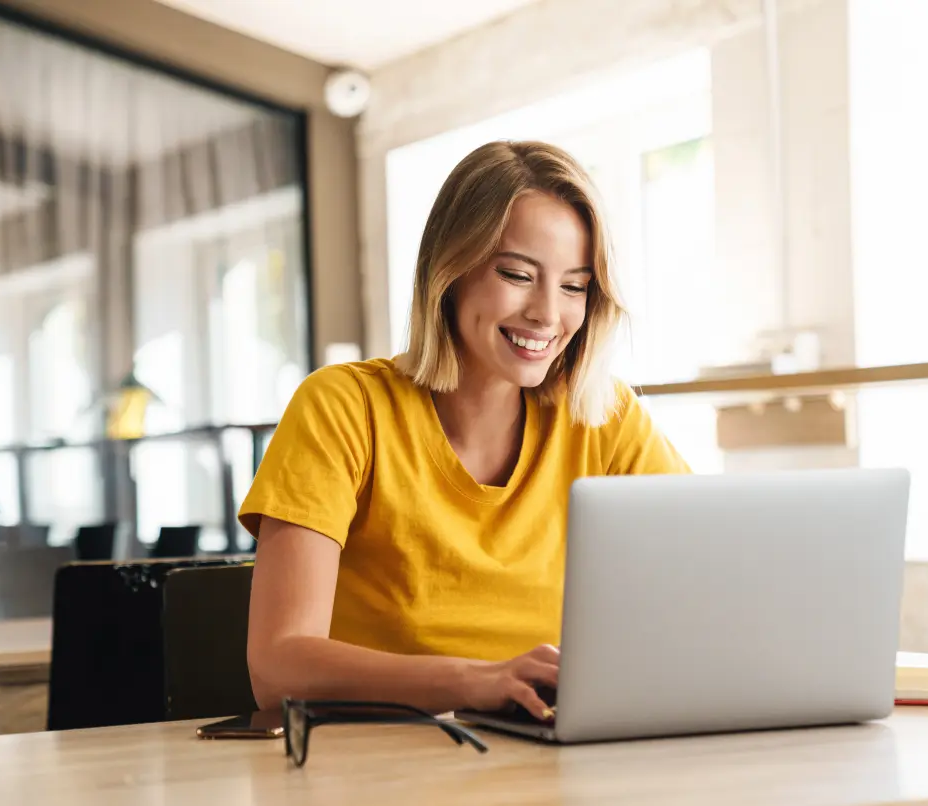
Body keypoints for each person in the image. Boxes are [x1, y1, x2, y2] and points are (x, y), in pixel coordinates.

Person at [238, 140, 690, 721]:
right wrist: (475, 681)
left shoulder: (604, 417)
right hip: (379, 763)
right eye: (517, 275)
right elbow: (277, 670)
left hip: (546, 757)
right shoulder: (344, 407)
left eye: (575, 286)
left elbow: (705, 587)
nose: (548, 315)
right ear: (449, 270)